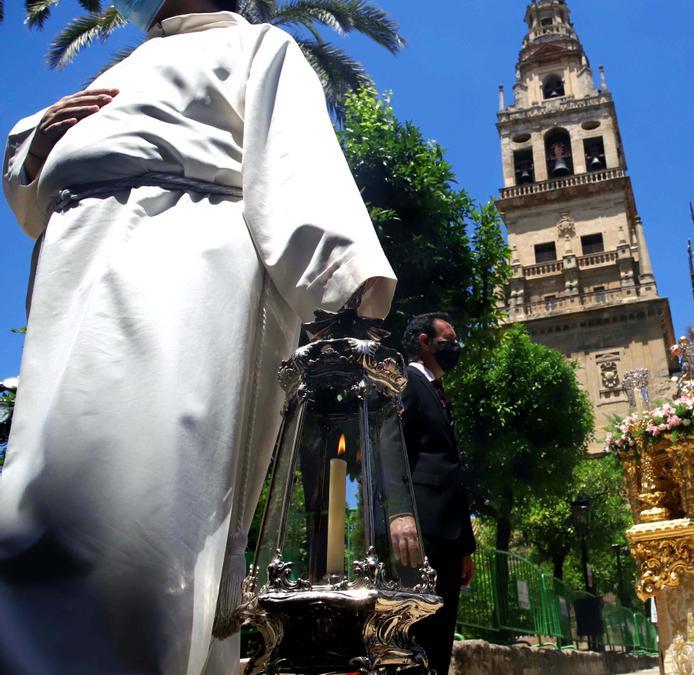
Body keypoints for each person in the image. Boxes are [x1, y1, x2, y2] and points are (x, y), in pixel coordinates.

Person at [0, 0, 398, 671]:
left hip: (181, 275)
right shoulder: (121, 67)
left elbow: (295, 164)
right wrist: (38, 150)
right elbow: (28, 191)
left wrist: (347, 298)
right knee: (36, 503)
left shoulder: (260, 46)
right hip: (70, 283)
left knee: (138, 519)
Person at [387, 312, 476, 675]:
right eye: (449, 338)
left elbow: (449, 469)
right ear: (425, 342)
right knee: (418, 638)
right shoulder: (407, 381)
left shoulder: (435, 391)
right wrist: (398, 512)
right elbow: (391, 445)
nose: (455, 346)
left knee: (440, 640)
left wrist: (465, 547)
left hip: (448, 540)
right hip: (420, 535)